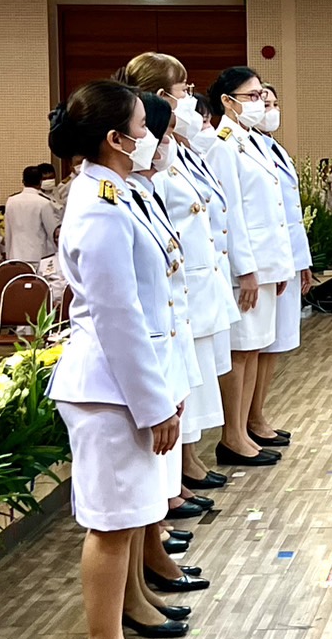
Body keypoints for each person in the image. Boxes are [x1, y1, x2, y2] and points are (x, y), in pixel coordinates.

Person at [46, 80, 179, 639]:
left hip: (124, 378)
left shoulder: (118, 193)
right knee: (112, 522)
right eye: (141, 123)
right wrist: (153, 401)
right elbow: (117, 313)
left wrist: (164, 389)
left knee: (125, 518)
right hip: (106, 385)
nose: (150, 132)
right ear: (116, 138)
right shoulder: (98, 203)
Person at [122, 53, 237, 495]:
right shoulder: (127, 181)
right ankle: (172, 488)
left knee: (192, 385)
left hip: (191, 288)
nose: (191, 96)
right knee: (175, 391)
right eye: (183, 88)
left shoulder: (181, 150)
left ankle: (182, 476)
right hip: (173, 292)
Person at [205, 67, 293, 467]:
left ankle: (248, 426)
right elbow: (231, 213)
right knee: (241, 350)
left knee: (256, 347)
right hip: (247, 265)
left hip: (267, 262)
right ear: (228, 100)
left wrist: (280, 266)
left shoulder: (251, 141)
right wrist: (247, 269)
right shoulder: (223, 144)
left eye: (261, 95)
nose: (260, 102)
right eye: (253, 95)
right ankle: (232, 436)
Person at [250, 84, 312, 448]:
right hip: (264, 260)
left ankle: (258, 414)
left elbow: (292, 214)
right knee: (258, 345)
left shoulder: (275, 148)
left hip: (285, 256)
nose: (270, 109)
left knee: (274, 344)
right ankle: (248, 420)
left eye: (274, 103)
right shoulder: (240, 147)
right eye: (262, 101)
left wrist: (302, 261)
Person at [4, 164, 60, 266]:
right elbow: (52, 232)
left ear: (23, 182)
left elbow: (8, 231)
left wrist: (8, 255)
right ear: (40, 182)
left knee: (19, 281)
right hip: (39, 256)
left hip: (16, 255)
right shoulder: (43, 202)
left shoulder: (11, 201)